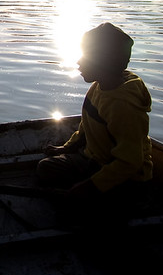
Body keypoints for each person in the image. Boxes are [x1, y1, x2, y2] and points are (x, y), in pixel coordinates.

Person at [37, 23, 153, 213]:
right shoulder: (99, 86)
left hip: (129, 180)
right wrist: (67, 147)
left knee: (72, 211)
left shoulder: (122, 106)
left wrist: (90, 187)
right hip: (95, 160)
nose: (78, 62)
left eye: (85, 56)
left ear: (104, 63)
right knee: (46, 169)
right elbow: (86, 126)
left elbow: (130, 162)